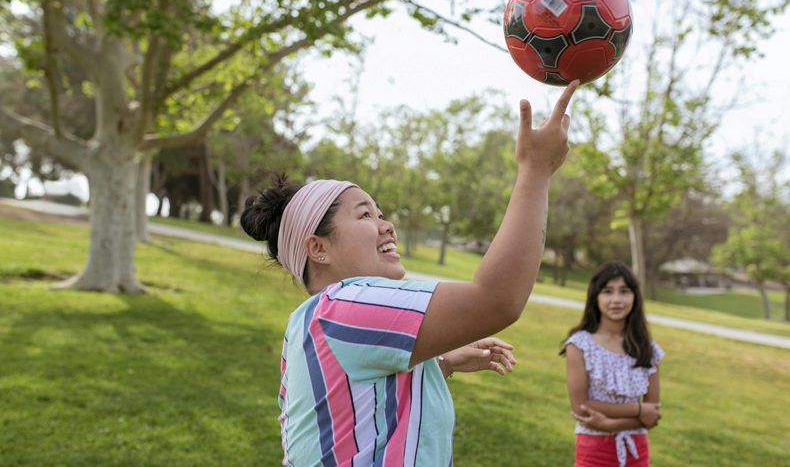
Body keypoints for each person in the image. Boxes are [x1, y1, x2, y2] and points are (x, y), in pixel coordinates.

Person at [240, 80, 578, 466]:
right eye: (365, 215)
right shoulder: (343, 304)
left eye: (381, 214)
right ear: (318, 248)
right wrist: (536, 169)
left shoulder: (312, 322)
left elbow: (355, 408)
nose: (386, 226)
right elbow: (496, 300)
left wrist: (441, 363)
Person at [560, 261, 665, 467]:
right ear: (595, 297)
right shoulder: (580, 345)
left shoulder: (648, 349)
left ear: (635, 297)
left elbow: (652, 414)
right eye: (608, 291)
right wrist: (638, 410)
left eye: (624, 291)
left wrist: (609, 424)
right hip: (593, 450)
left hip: (637, 451)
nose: (616, 299)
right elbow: (581, 408)